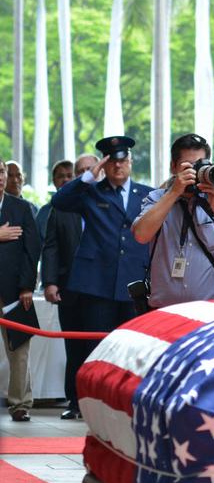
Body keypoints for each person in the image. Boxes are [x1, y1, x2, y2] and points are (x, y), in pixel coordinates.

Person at [49, 136, 153, 372]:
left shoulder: (146, 194)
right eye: (112, 161)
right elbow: (59, 201)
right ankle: (90, 404)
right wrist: (87, 176)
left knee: (131, 348)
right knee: (96, 349)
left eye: (123, 160)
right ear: (104, 164)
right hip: (96, 283)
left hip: (134, 282)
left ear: (130, 161)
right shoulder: (91, 191)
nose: (118, 165)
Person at [132, 134, 214, 309]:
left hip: (213, 310)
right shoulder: (157, 198)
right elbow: (140, 235)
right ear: (173, 167)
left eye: (199, 165)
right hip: (164, 312)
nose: (195, 172)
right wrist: (174, 192)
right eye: (188, 167)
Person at [41, 153, 99, 420]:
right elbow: (51, 246)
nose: (88, 173)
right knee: (74, 347)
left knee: (99, 347)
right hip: (70, 287)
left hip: (102, 289)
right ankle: (74, 402)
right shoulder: (64, 206)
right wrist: (50, 281)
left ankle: (99, 402)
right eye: (82, 170)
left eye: (91, 168)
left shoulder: (108, 201)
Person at [0, 163, 41, 422]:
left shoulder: (21, 208)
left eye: (1, 172)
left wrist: (27, 287)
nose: (0, 178)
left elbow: (32, 249)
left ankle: (20, 404)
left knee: (19, 350)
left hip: (14, 290)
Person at [35, 160, 74, 236]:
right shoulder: (44, 212)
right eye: (61, 176)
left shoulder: (86, 207)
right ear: (54, 181)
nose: (65, 180)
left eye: (69, 176)